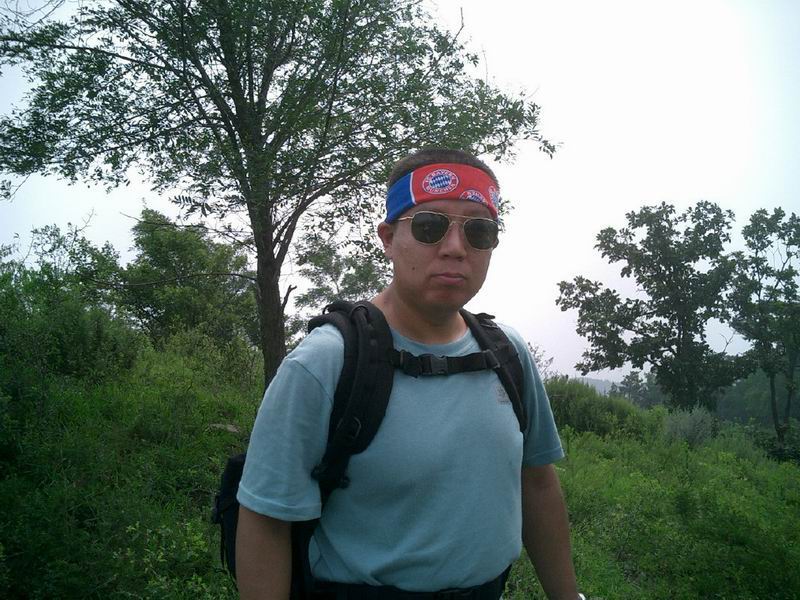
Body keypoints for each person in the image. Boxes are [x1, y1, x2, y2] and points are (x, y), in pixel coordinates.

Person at [235, 148, 583, 600]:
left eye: (479, 230)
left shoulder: (507, 353)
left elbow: (536, 481)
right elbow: (266, 521)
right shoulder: (325, 363)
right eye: (429, 226)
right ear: (388, 238)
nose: (455, 248)